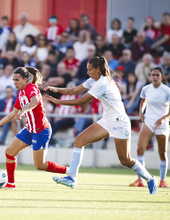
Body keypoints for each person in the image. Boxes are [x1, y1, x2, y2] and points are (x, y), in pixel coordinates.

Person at [44, 56, 158, 194]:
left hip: (120, 122)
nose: (88, 72)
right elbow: (74, 91)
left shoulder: (102, 83)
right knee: (79, 141)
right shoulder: (94, 79)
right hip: (107, 120)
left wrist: (58, 102)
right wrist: (56, 89)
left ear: (98, 69)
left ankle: (150, 178)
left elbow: (81, 101)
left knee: (125, 160)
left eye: (90, 70)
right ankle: (72, 178)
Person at [0, 67, 69, 189]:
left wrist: (22, 112)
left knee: (40, 165)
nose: (14, 83)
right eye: (13, 80)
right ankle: (11, 184)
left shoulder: (31, 88)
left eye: (17, 80)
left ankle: (69, 171)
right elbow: (12, 113)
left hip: (41, 131)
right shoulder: (20, 93)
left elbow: (36, 101)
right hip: (29, 130)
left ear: (25, 79)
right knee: (9, 153)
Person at [129, 67, 170, 188]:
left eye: (157, 75)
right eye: (153, 75)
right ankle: (140, 179)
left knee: (162, 153)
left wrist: (163, 118)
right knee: (140, 149)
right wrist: (141, 112)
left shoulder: (167, 90)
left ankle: (162, 180)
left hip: (162, 124)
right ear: (150, 76)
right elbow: (143, 101)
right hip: (149, 121)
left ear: (162, 77)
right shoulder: (146, 88)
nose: (155, 77)